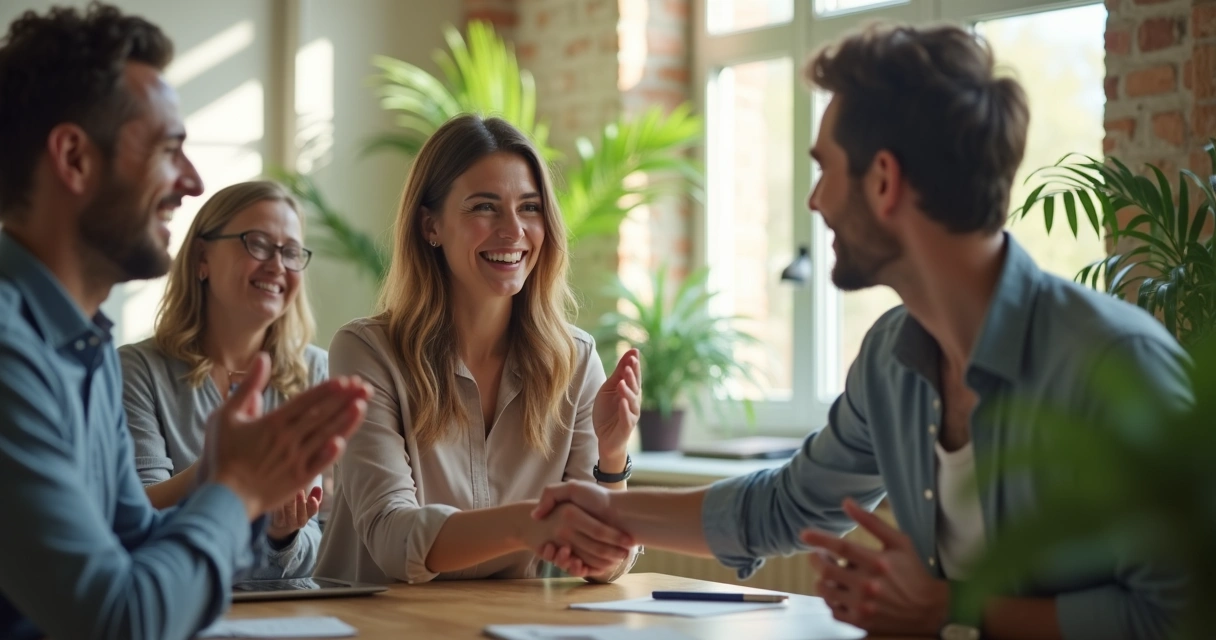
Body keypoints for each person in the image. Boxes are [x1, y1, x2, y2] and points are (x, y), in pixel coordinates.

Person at [530, 23, 1191, 640]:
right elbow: (787, 505)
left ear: (883, 181)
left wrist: (949, 607)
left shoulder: (1112, 364)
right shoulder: (892, 358)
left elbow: (1185, 611)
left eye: (824, 169)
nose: (814, 201)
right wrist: (607, 510)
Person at [0, 5, 370, 640]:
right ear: (74, 158)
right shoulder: (13, 352)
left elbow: (138, 544)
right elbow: (119, 620)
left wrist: (234, 486)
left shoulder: (82, 347)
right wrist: (237, 485)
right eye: (170, 149)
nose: (192, 182)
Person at [315, 114, 642, 585]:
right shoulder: (366, 353)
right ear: (431, 225)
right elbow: (393, 539)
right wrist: (537, 523)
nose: (513, 231)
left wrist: (612, 458)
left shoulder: (575, 359)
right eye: (484, 207)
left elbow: (605, 566)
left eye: (530, 208)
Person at [120, 180, 326, 579]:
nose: (277, 265)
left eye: (290, 251)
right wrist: (223, 467)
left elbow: (317, 545)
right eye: (259, 243)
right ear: (202, 257)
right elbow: (136, 518)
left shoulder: (317, 372)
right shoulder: (136, 370)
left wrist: (282, 535)